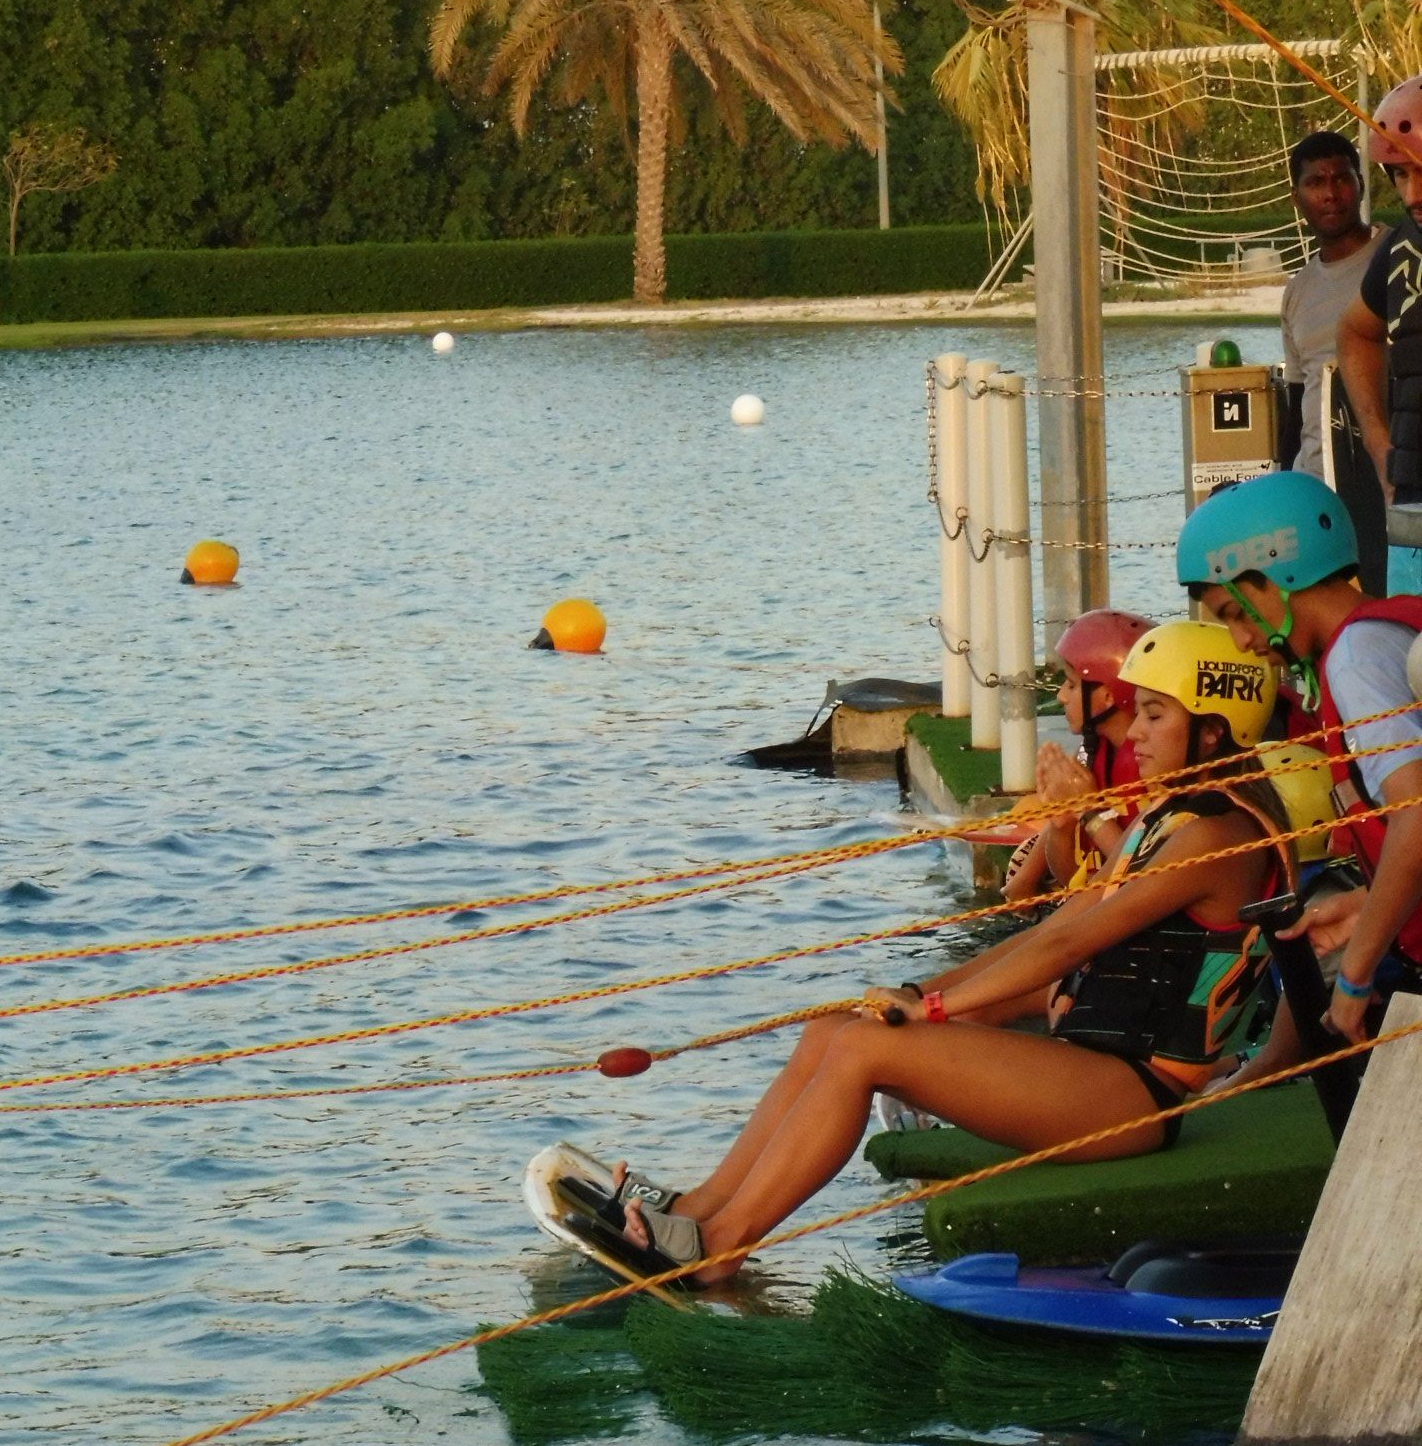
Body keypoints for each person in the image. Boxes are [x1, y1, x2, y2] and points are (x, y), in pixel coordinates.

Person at [566, 626, 1292, 1285]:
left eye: (1155, 716)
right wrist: (916, 990)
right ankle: (696, 1209)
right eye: (1136, 712)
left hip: (1135, 1096)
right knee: (837, 1031)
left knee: (862, 1055)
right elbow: (1043, 935)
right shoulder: (1168, 819)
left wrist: (937, 1011)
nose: (1134, 732)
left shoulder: (1219, 836)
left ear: (1214, 729)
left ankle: (717, 1250)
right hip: (1094, 1071)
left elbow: (1073, 943)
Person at [1176, 469, 1422, 1049]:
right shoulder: (1387, 631)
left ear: (1276, 578)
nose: (1240, 640)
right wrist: (1368, 905)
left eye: (1234, 611)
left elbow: (1415, 818)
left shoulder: (1355, 661)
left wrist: (1357, 974)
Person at [1002, 608, 1154, 905]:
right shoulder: (1099, 747)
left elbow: (1144, 872)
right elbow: (1070, 880)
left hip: (1141, 908)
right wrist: (1061, 826)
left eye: (1071, 684)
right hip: (1104, 900)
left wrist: (1089, 809)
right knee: (1023, 861)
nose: (1060, 695)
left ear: (1109, 696)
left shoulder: (1149, 762)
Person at [1337, 75, 1422, 597]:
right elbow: (1354, 333)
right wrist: (1381, 449)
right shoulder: (1399, 252)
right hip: (1413, 510)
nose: (1413, 196)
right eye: (1400, 176)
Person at [1280, 131, 1382, 478]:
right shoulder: (1297, 292)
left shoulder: (1399, 258)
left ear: (1360, 186)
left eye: (1341, 178)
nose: (1330, 194)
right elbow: (1296, 408)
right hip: (1315, 490)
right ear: (1297, 197)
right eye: (1316, 182)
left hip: (1385, 481)